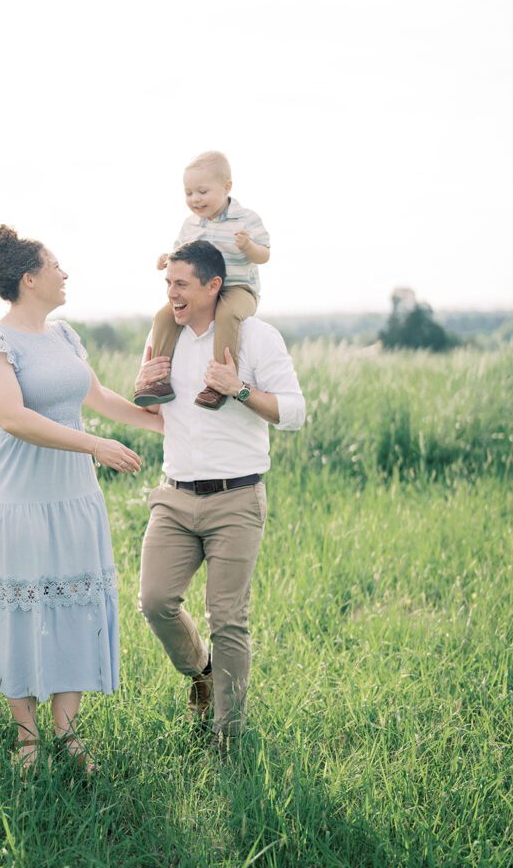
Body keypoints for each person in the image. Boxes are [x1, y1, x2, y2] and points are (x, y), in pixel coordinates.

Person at [0, 225, 163, 772]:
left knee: (75, 604)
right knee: (21, 607)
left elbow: (97, 397)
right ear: (29, 278)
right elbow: (15, 417)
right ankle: (27, 739)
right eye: (56, 266)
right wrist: (94, 444)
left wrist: (164, 424)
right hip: (14, 494)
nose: (65, 274)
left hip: (72, 492)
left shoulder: (64, 336)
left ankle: (68, 737)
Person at [135, 240, 305, 742]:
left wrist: (240, 389)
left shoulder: (256, 337)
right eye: (168, 285)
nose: (172, 295)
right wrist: (140, 384)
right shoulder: (165, 335)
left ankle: (227, 735)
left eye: (182, 285)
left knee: (228, 618)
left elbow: (295, 412)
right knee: (155, 600)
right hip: (175, 495)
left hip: (237, 497)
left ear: (214, 286)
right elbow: (153, 411)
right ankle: (203, 674)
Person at [134, 150, 270, 411]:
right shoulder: (191, 225)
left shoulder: (246, 219)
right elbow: (181, 254)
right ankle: (158, 378)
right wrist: (167, 258)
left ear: (226, 187)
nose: (195, 199)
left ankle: (219, 382)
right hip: (200, 291)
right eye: (188, 193)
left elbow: (264, 255)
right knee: (164, 316)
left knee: (227, 314)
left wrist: (249, 246)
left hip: (237, 288)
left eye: (202, 192)